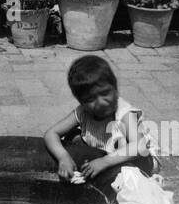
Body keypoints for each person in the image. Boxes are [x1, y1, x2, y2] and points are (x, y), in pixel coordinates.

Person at [43, 56, 158, 190]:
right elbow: (51, 133)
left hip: (138, 158)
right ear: (82, 102)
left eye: (105, 93)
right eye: (91, 99)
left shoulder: (124, 113)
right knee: (71, 139)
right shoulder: (83, 112)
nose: (101, 102)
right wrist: (63, 157)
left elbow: (140, 146)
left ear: (115, 88)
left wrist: (105, 162)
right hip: (106, 152)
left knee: (127, 178)